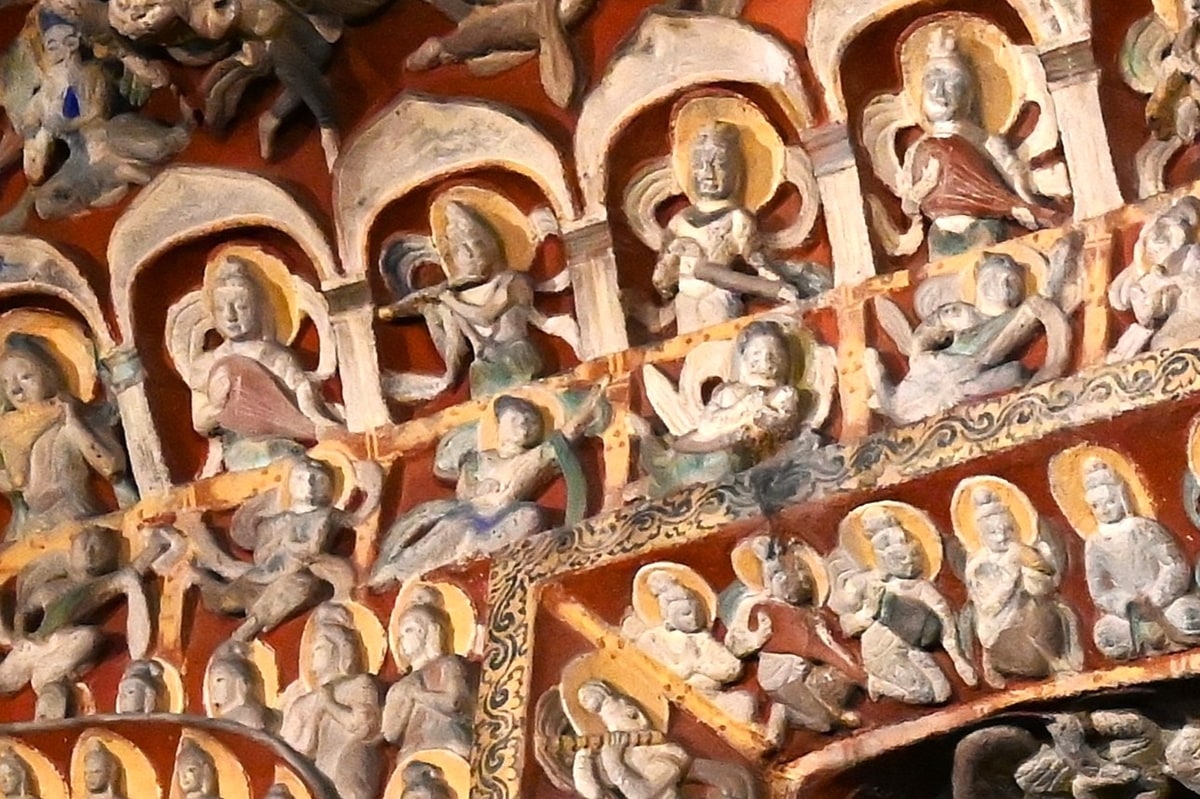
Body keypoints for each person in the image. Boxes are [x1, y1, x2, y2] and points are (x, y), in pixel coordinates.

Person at [370, 386, 602, 588]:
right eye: (515, 419)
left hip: (503, 516)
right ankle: (400, 569)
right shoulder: (478, 459)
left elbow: (566, 436)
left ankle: (480, 551)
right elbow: (462, 491)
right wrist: (478, 489)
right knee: (455, 526)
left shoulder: (531, 459)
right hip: (472, 511)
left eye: (530, 421)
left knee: (531, 516)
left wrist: (588, 407)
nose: (523, 425)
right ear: (499, 426)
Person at [886, 26, 1065, 260]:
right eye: (932, 82)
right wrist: (923, 188)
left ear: (969, 94)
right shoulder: (917, 150)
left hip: (983, 228)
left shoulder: (986, 141)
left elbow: (1016, 184)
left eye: (952, 82)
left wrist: (1019, 195)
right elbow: (910, 206)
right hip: (940, 235)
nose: (940, 91)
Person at [378, 199, 580, 401]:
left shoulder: (511, 281)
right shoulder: (455, 296)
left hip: (517, 359)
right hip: (484, 370)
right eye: (459, 248)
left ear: (492, 247)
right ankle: (447, 380)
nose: (469, 253)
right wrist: (413, 308)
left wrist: (448, 299)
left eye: (476, 244)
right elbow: (455, 345)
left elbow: (485, 316)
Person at [648, 122, 828, 334]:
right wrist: (672, 257)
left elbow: (758, 262)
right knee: (692, 351)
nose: (708, 173)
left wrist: (778, 287)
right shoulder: (678, 222)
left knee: (721, 347)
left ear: (737, 170)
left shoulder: (737, 219)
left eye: (720, 164)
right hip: (685, 303)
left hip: (719, 298)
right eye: (699, 164)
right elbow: (663, 283)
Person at [867, 247, 1073, 424]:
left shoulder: (1024, 311)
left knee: (1014, 373)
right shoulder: (960, 313)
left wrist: (1051, 369)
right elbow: (926, 332)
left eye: (1009, 280)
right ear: (979, 281)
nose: (1000, 284)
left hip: (973, 373)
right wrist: (918, 354)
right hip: (936, 365)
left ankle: (885, 389)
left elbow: (1051, 317)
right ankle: (885, 389)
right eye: (991, 277)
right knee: (905, 407)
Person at [187, 254, 342, 472]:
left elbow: (301, 393)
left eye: (241, 307)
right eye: (221, 309)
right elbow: (200, 423)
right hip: (239, 446)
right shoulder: (206, 365)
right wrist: (217, 407)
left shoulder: (274, 356)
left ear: (259, 309)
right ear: (212, 313)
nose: (231, 316)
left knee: (290, 458)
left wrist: (315, 419)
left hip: (282, 440)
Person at [186, 456, 356, 640]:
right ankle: (204, 577)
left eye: (317, 478)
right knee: (226, 599)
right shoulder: (275, 522)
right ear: (290, 484)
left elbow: (355, 520)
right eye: (301, 478)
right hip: (266, 574)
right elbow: (263, 555)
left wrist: (373, 489)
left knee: (299, 585)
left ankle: (253, 624)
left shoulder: (328, 515)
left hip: (302, 574)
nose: (309, 485)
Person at [0, 525, 163, 718]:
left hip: (64, 641)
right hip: (33, 644)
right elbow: (25, 611)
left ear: (111, 554)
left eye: (97, 547)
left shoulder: (104, 583)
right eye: (83, 546)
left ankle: (51, 691)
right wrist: (20, 634)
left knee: (87, 638)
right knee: (7, 677)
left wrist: (154, 548)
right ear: (71, 552)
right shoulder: (50, 589)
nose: (89, 553)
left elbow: (131, 572)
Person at [829, 508, 976, 704]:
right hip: (880, 651)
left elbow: (945, 621)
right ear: (882, 559)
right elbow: (847, 626)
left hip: (913, 647)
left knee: (943, 693)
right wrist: (868, 613)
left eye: (913, 555)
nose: (909, 563)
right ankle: (878, 684)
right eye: (899, 558)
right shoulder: (869, 585)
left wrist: (959, 661)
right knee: (925, 694)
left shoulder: (921, 588)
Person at [640, 320, 805, 494]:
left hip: (744, 452)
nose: (765, 361)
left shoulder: (782, 394)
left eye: (774, 354)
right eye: (756, 354)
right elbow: (707, 425)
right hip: (707, 445)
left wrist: (764, 416)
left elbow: (781, 427)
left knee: (728, 460)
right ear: (744, 358)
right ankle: (653, 469)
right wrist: (742, 407)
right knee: (678, 460)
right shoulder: (728, 390)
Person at [0, 332, 133, 541]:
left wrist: (73, 420)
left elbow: (112, 466)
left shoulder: (71, 422)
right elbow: (16, 482)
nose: (16, 390)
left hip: (74, 521)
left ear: (50, 376)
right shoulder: (15, 438)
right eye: (6, 383)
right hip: (34, 529)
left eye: (26, 377)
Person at [959, 487, 1081, 687]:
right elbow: (988, 606)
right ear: (981, 535)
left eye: (1008, 530)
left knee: (1054, 611)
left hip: (1030, 616)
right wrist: (1011, 578)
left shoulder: (1023, 552)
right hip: (998, 625)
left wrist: (1036, 570)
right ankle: (992, 662)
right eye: (993, 532)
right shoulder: (979, 565)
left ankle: (1058, 660)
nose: (1002, 537)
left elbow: (1045, 587)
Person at [1080, 458, 1200, 659]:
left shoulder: (1145, 528)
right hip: (1129, 616)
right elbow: (1099, 590)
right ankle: (1143, 643)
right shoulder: (1095, 543)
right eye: (1096, 506)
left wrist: (1155, 596)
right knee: (1106, 637)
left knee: (1189, 616)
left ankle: (1169, 637)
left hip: (1165, 605)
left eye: (1110, 501)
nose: (1105, 509)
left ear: (1123, 498)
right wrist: (1126, 603)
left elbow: (1175, 564)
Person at [280, 605, 382, 799]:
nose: (313, 656)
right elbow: (293, 752)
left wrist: (329, 704)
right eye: (312, 651)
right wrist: (316, 711)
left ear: (342, 650)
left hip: (352, 763)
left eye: (319, 648)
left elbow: (365, 725)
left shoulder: (359, 684)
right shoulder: (303, 703)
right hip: (319, 771)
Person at [382, 587, 477, 757]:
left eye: (409, 630)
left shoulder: (448, 665)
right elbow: (390, 733)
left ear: (431, 631)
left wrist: (418, 694)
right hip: (411, 751)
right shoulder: (401, 685)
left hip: (449, 742)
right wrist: (406, 701)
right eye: (400, 633)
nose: (402, 639)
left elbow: (454, 703)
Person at [570, 680, 690, 799]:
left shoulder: (670, 752)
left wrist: (614, 765)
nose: (613, 734)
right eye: (608, 727)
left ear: (636, 717)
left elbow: (644, 794)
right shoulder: (621, 754)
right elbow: (592, 793)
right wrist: (584, 756)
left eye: (616, 728)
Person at [206, 642, 277, 731]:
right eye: (211, 686)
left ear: (241, 683)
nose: (213, 690)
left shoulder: (248, 716)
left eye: (219, 680)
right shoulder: (223, 724)